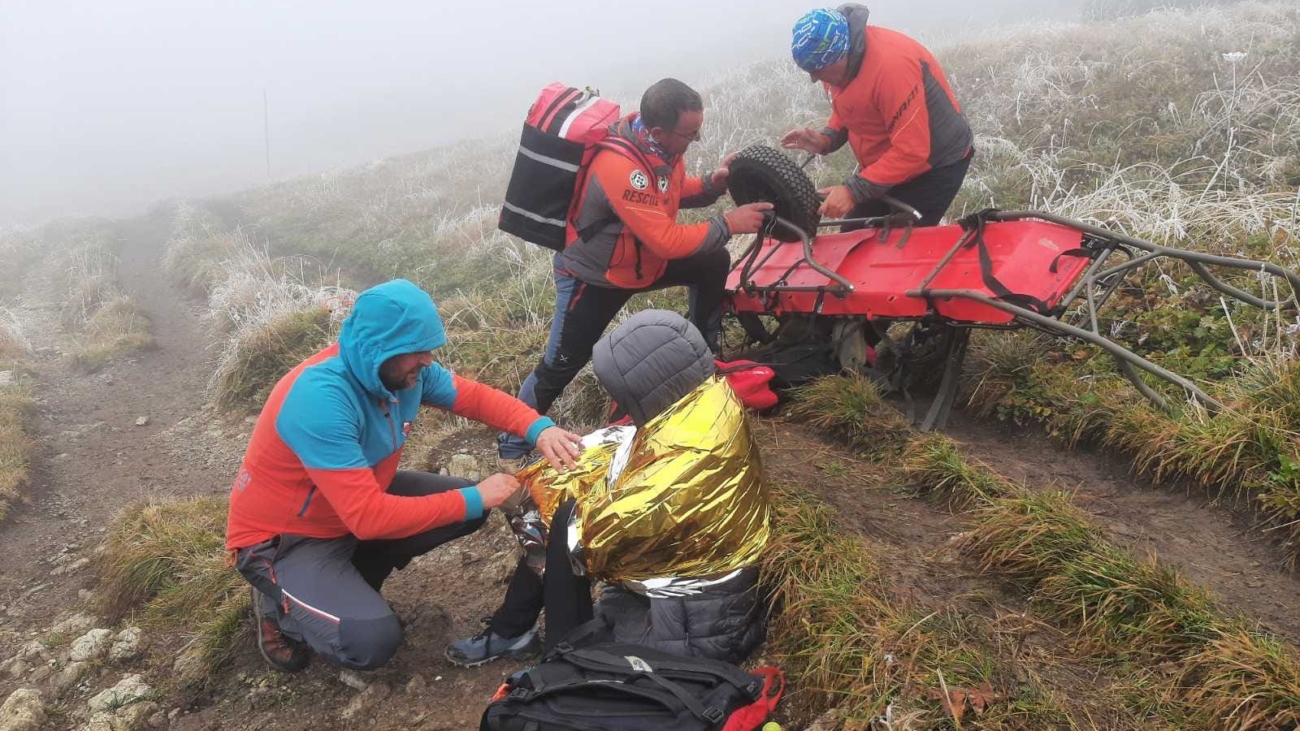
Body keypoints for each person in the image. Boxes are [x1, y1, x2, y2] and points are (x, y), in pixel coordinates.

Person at [225, 278, 584, 673]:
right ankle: (281, 608)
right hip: (286, 539)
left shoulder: (402, 373)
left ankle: (347, 581)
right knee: (369, 641)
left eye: (428, 350)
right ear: (379, 349)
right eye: (417, 352)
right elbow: (368, 518)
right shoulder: (320, 399)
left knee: (464, 509)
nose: (428, 360)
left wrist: (539, 429)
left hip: (351, 506)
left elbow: (474, 397)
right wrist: (478, 496)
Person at [453, 310, 767, 667]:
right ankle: (515, 631)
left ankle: (558, 659)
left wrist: (540, 502)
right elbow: (627, 446)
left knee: (563, 533)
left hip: (691, 625)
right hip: (668, 595)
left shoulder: (689, 459)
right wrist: (536, 483)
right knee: (545, 499)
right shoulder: (697, 400)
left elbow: (594, 543)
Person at [496, 77, 774, 468]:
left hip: (640, 265)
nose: (696, 139)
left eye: (699, 129)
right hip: (594, 278)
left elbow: (669, 194)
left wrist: (712, 184)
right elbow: (666, 239)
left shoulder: (659, 147)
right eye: (690, 133)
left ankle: (704, 353)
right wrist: (728, 223)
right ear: (660, 130)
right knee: (560, 363)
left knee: (711, 262)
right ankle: (511, 446)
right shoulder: (623, 166)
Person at [781, 5, 974, 226]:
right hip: (888, 163)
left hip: (936, 163)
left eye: (819, 69)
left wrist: (853, 192)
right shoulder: (833, 63)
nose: (815, 78)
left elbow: (912, 151)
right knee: (854, 234)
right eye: (810, 70)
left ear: (843, 52)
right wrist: (828, 138)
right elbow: (852, 103)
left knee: (899, 245)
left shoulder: (892, 68)